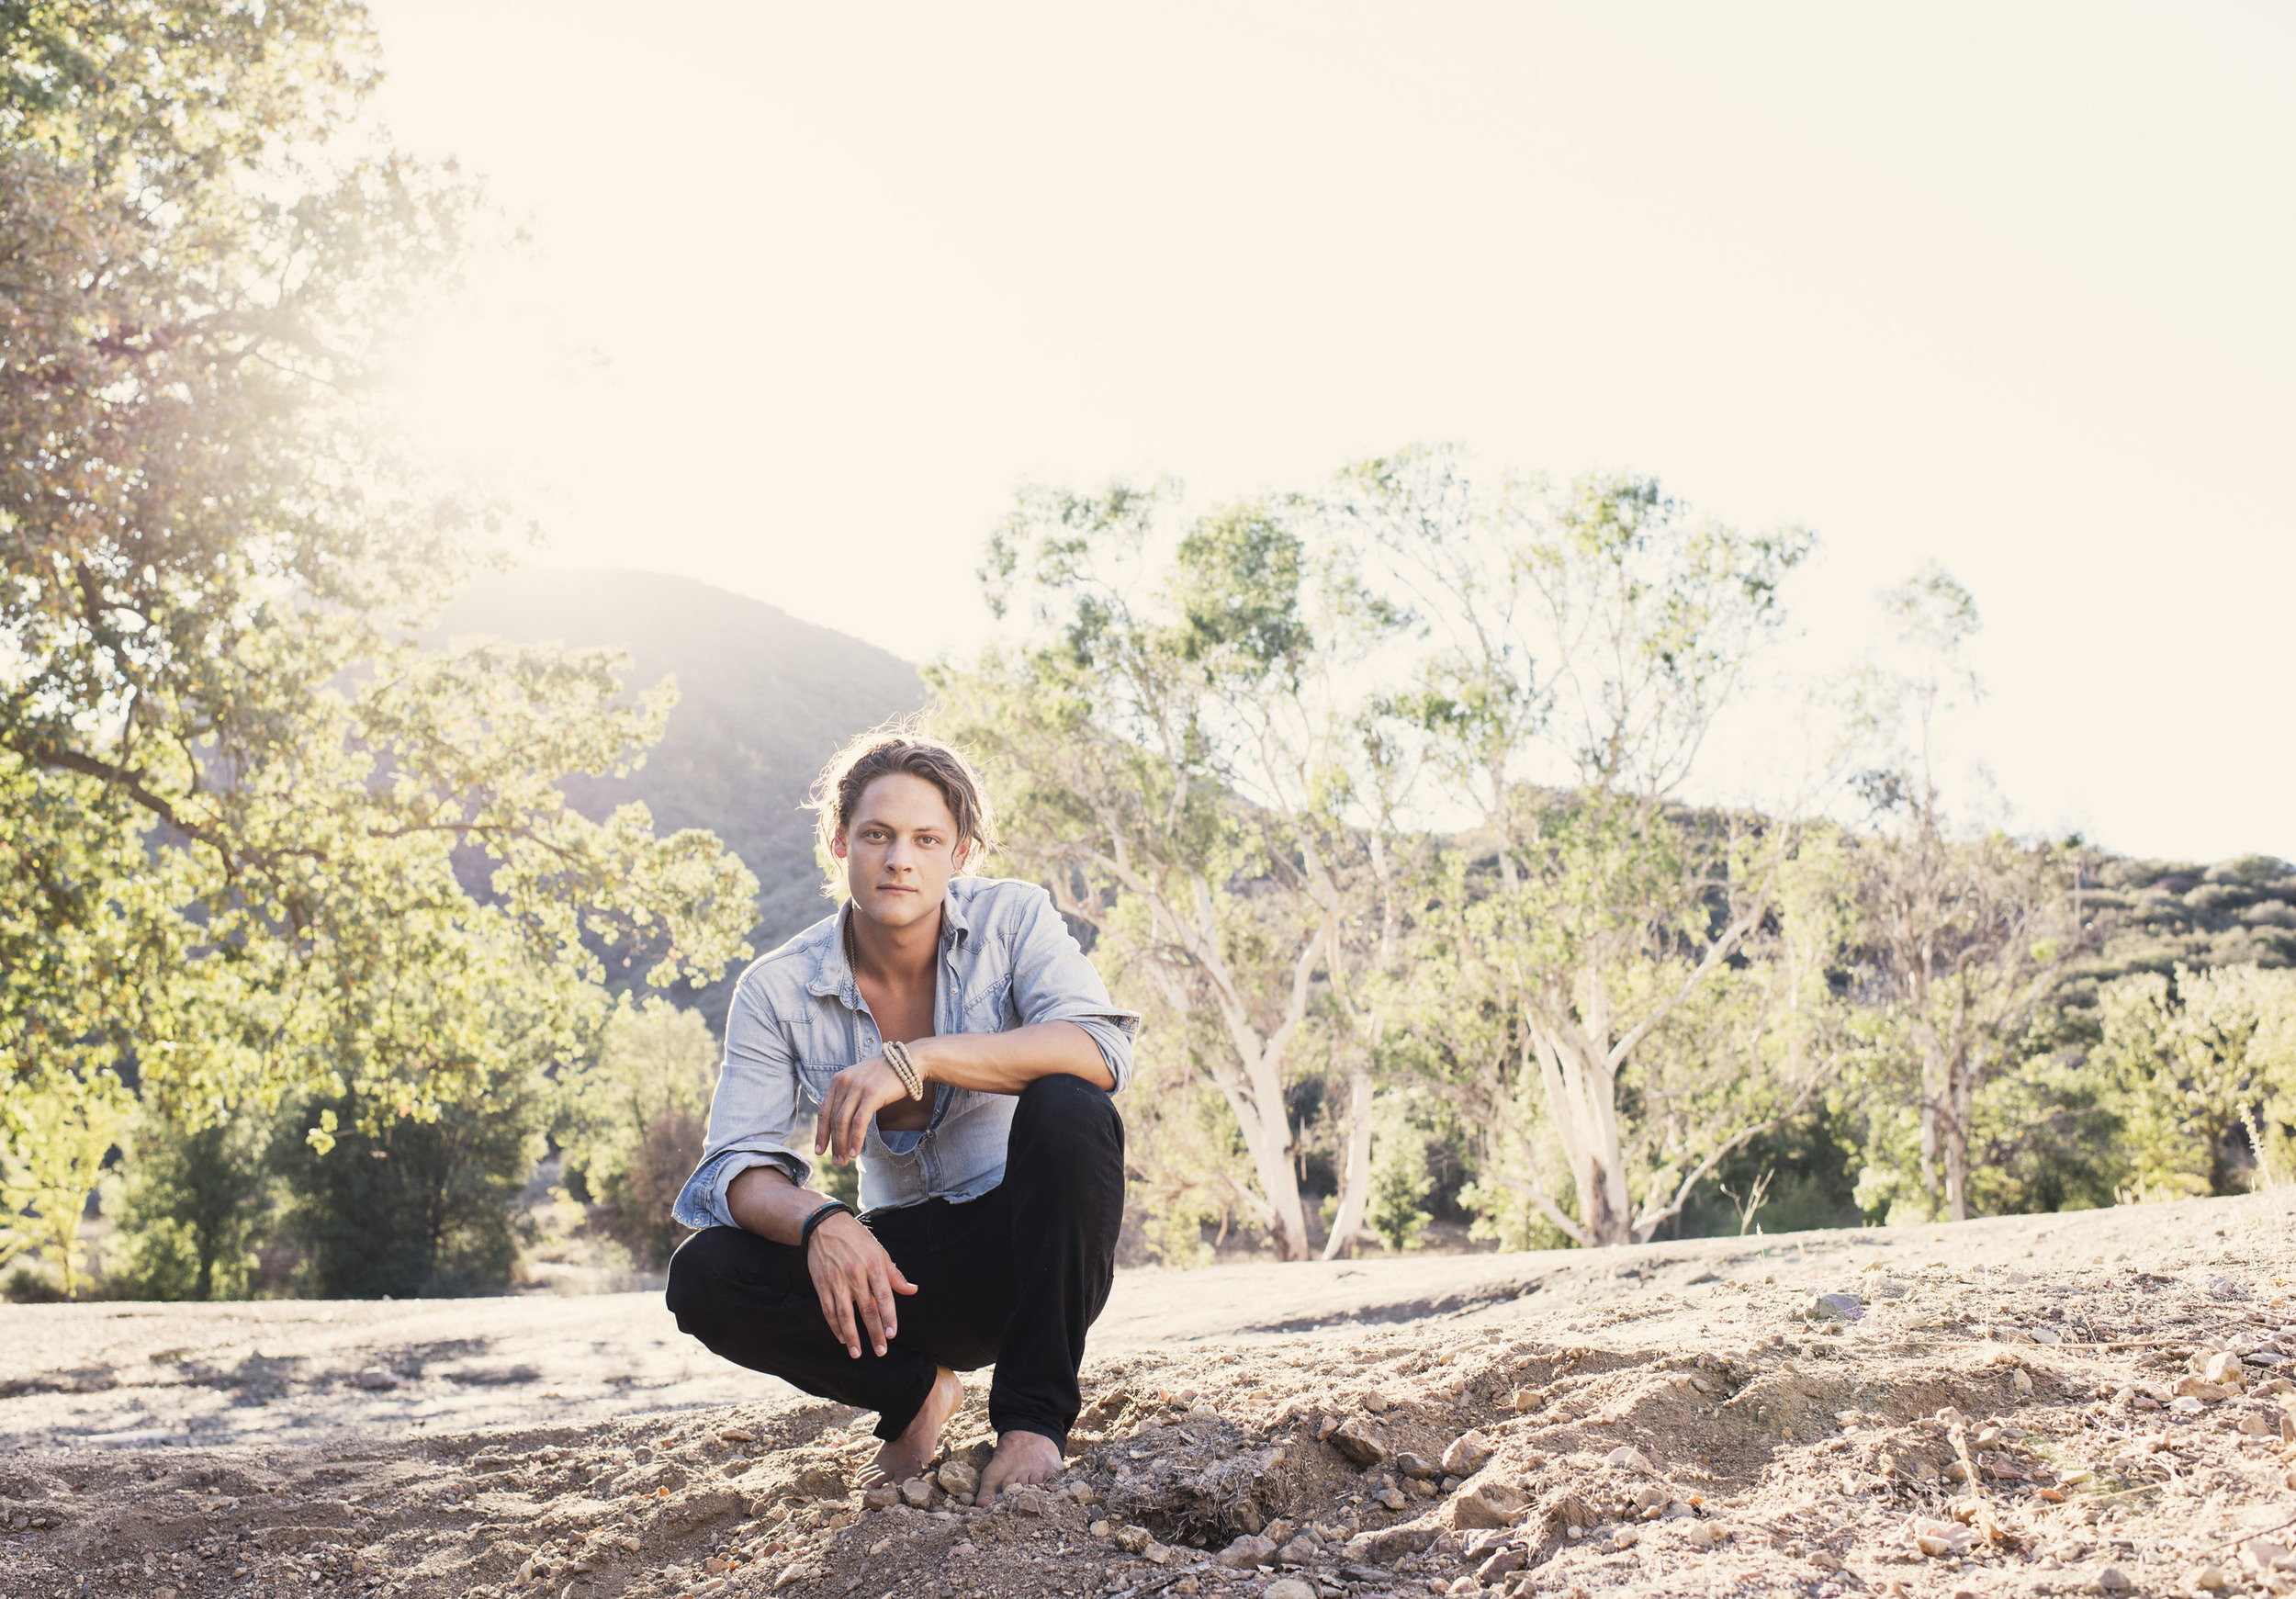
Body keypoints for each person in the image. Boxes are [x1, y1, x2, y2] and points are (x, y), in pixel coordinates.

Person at [664, 727, 1134, 1503]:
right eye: (877, 835)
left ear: (961, 851)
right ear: (839, 842)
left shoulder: (1014, 919)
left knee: (1069, 1103)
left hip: (1029, 1256)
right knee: (704, 1273)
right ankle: (917, 1393)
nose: (899, 860)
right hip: (897, 1282)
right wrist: (822, 1221)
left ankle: (1032, 1422)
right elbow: (734, 1169)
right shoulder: (776, 988)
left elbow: (1101, 1048)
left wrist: (921, 1057)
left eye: (926, 839)